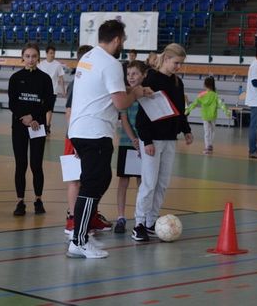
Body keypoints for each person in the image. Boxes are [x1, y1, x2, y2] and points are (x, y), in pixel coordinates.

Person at [67, 20, 152, 258]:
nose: (123, 44)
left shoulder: (88, 58)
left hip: (81, 129)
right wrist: (135, 92)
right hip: (94, 132)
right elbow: (120, 103)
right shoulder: (111, 64)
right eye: (123, 40)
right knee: (93, 183)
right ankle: (79, 240)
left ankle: (82, 234)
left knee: (101, 179)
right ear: (116, 39)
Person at [133, 43, 193, 241]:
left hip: (169, 140)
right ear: (166, 59)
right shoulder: (151, 78)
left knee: (162, 183)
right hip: (152, 140)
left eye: (181, 64)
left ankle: (151, 221)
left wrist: (186, 130)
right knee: (149, 183)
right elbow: (142, 115)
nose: (178, 67)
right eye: (176, 63)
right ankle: (139, 223)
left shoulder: (177, 82)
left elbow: (179, 111)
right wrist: (146, 140)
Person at [63, 45, 112, 235]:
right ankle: (73, 219)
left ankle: (90, 216)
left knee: (92, 180)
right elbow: (69, 113)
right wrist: (75, 141)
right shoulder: (77, 82)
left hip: (88, 136)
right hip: (75, 138)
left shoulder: (92, 80)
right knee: (76, 181)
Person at [8, 43, 53, 216]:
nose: (30, 59)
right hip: (19, 126)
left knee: (36, 164)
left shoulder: (45, 78)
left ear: (38, 58)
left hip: (37, 126)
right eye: (27, 56)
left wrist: (34, 118)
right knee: (21, 164)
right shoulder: (15, 77)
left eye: (34, 56)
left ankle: (38, 199)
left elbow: (48, 103)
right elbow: (13, 102)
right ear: (22, 57)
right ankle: (20, 201)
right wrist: (24, 117)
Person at [114, 60, 147, 234]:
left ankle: (140, 217)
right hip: (127, 143)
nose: (131, 77)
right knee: (123, 182)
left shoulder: (147, 93)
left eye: (135, 73)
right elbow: (124, 118)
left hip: (145, 143)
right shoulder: (125, 93)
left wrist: (141, 140)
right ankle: (120, 216)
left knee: (142, 182)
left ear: (143, 75)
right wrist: (133, 139)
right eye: (128, 74)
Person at [185, 76, 231, 154]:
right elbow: (221, 104)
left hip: (205, 116)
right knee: (212, 131)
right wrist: (227, 112)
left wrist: (187, 110)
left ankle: (207, 147)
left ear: (205, 85)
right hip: (213, 116)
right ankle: (210, 145)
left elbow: (194, 103)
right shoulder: (215, 95)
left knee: (206, 132)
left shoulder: (201, 95)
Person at [37, 45, 65, 135]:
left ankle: (47, 126)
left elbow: (61, 78)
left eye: (54, 53)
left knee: (49, 109)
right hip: (42, 90)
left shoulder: (57, 65)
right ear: (46, 53)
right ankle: (42, 124)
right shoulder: (41, 64)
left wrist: (63, 90)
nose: (52, 55)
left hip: (53, 90)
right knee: (41, 108)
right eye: (51, 53)